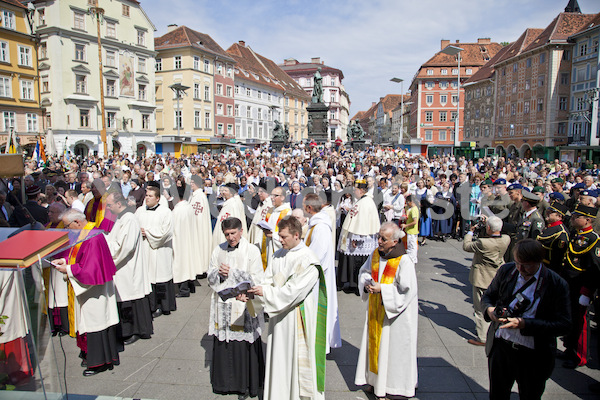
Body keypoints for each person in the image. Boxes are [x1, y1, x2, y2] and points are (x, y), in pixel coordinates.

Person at [248, 216, 327, 400]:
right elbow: (267, 280)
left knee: (295, 360)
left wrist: (264, 293)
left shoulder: (309, 261)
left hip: (296, 317)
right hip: (278, 318)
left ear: (297, 235)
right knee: (279, 358)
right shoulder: (278, 254)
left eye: (283, 237)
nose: (279, 240)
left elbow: (293, 293)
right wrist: (253, 291)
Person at [482, 239, 570, 400]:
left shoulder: (556, 284)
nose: (521, 269)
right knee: (497, 394)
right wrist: (490, 310)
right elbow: (488, 296)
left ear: (539, 262)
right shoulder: (507, 271)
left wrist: (525, 324)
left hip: (533, 355)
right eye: (517, 263)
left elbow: (564, 324)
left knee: (530, 395)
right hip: (502, 347)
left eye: (527, 265)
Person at [52, 209, 120, 376]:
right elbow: (80, 257)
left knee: (94, 323)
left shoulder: (92, 237)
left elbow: (90, 270)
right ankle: (92, 357)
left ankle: (99, 362)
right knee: (89, 322)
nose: (67, 229)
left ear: (77, 222)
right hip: (89, 290)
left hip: (94, 291)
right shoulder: (85, 233)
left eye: (67, 226)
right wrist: (65, 260)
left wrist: (67, 269)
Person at [354, 222, 418, 399]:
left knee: (393, 351)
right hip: (376, 309)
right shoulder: (376, 254)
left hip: (395, 316)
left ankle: (394, 386)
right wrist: (366, 282)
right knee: (376, 348)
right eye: (378, 237)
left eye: (384, 239)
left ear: (395, 242)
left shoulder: (404, 261)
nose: (379, 241)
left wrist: (383, 289)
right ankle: (375, 382)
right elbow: (365, 272)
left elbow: (407, 290)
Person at [208, 217, 265, 399]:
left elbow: (257, 277)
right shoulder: (219, 250)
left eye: (233, 233)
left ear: (241, 231)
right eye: (227, 234)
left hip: (243, 303)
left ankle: (246, 385)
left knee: (243, 345)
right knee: (225, 343)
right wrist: (218, 273)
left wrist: (236, 278)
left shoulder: (252, 250)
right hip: (224, 304)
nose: (231, 238)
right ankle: (224, 384)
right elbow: (210, 274)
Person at [105, 191, 153, 345]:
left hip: (128, 266)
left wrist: (108, 255)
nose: (108, 208)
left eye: (110, 205)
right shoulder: (121, 218)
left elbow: (125, 247)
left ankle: (134, 330)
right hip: (123, 267)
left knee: (130, 299)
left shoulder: (130, 220)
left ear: (119, 204)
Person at [560, 204, 600, 369]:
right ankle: (569, 349)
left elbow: (594, 269)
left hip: (581, 287)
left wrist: (587, 291)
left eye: (577, 216)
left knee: (581, 323)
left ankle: (580, 356)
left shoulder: (593, 240)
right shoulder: (577, 235)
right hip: (570, 284)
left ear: (587, 220)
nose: (573, 218)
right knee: (570, 319)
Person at [303, 193, 342, 353]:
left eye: (304, 205)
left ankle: (319, 345)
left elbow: (316, 257)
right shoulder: (316, 224)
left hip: (318, 279)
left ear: (309, 208)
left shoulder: (320, 228)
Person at [462, 216, 510, 346]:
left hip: (482, 277)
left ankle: (482, 337)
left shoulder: (483, 243)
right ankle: (496, 331)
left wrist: (470, 232)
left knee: (480, 307)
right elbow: (501, 231)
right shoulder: (506, 240)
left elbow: (466, 246)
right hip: (497, 276)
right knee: (496, 305)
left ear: (488, 228)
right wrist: (490, 223)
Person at [134, 185, 176, 318]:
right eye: (146, 195)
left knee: (160, 277)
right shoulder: (140, 211)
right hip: (145, 250)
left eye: (150, 196)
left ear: (157, 198)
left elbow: (167, 232)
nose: (147, 198)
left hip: (160, 250)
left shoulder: (165, 212)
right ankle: (151, 306)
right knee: (149, 277)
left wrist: (147, 232)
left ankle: (163, 305)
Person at [338, 179, 380, 294]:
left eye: (355, 189)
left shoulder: (365, 202)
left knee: (358, 262)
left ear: (361, 190)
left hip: (360, 239)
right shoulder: (363, 200)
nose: (353, 191)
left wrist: (356, 238)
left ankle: (356, 284)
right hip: (357, 237)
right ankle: (352, 283)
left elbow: (362, 222)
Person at [171, 180, 197, 297]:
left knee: (181, 264)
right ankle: (190, 286)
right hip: (189, 238)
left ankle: (184, 289)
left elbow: (173, 227)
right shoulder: (188, 207)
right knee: (189, 263)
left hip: (180, 240)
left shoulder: (177, 210)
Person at [259, 186, 291, 270]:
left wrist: (273, 235)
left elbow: (287, 234)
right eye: (271, 195)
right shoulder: (271, 210)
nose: (272, 198)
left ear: (282, 197)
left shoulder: (287, 212)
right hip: (268, 245)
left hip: (277, 245)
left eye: (275, 195)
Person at [189, 176, 212, 279]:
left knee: (200, 245)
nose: (191, 184)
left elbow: (198, 213)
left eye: (192, 182)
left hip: (198, 226)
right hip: (194, 225)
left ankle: (201, 268)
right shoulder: (194, 195)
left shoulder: (200, 196)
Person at [213, 183, 248, 251]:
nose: (223, 192)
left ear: (231, 193)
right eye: (223, 190)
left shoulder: (233, 205)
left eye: (226, 191)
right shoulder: (227, 203)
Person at [536, 201, 569, 273]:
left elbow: (559, 257)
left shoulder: (561, 232)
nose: (547, 213)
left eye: (551, 212)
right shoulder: (549, 227)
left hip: (549, 268)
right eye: (547, 211)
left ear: (559, 216)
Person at [401, 195, 419, 264]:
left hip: (412, 231)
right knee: (411, 246)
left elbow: (415, 221)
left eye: (408, 202)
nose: (407, 203)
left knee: (411, 246)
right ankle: (412, 259)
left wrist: (406, 225)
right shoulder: (413, 209)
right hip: (411, 231)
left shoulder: (414, 210)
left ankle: (412, 259)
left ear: (411, 202)